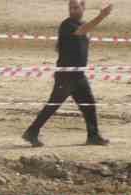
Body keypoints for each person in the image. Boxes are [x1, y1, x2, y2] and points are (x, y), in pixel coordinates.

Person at [23, 1, 113, 148]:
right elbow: (82, 31)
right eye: (71, 8)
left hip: (78, 75)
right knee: (53, 105)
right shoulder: (68, 24)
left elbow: (83, 34)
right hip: (66, 75)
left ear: (83, 7)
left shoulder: (81, 23)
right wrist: (102, 15)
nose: (73, 11)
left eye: (76, 7)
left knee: (89, 105)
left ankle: (93, 136)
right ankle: (31, 132)